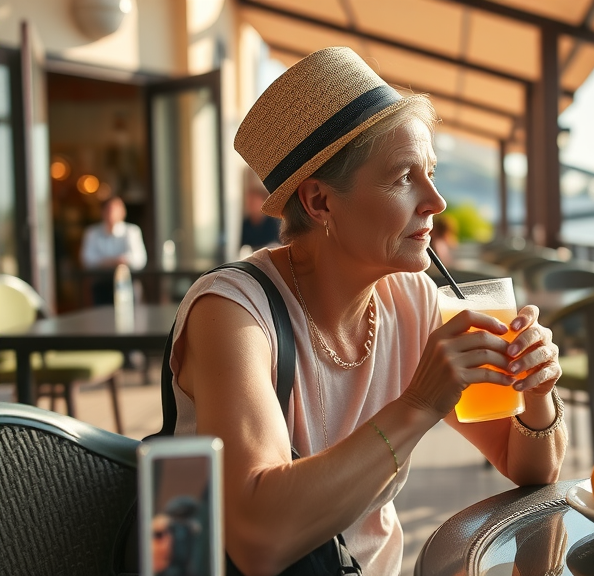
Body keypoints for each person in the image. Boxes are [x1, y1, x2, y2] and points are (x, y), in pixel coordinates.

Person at [169, 47, 566, 576]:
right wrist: (420, 404)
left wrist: (537, 393)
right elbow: (257, 539)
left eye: (430, 172)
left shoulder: (415, 299)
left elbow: (528, 466)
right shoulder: (233, 312)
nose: (435, 201)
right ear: (320, 202)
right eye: (404, 177)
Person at [79, 196, 147, 304]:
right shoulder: (92, 233)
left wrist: (106, 262)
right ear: (103, 212)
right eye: (110, 210)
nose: (113, 214)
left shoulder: (131, 231)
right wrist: (115, 261)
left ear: (123, 212)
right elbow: (87, 260)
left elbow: (139, 260)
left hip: (127, 283)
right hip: (101, 285)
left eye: (116, 210)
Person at [240, 177, 282, 252]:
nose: (250, 204)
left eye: (253, 202)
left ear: (262, 203)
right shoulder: (245, 224)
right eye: (248, 201)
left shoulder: (274, 223)